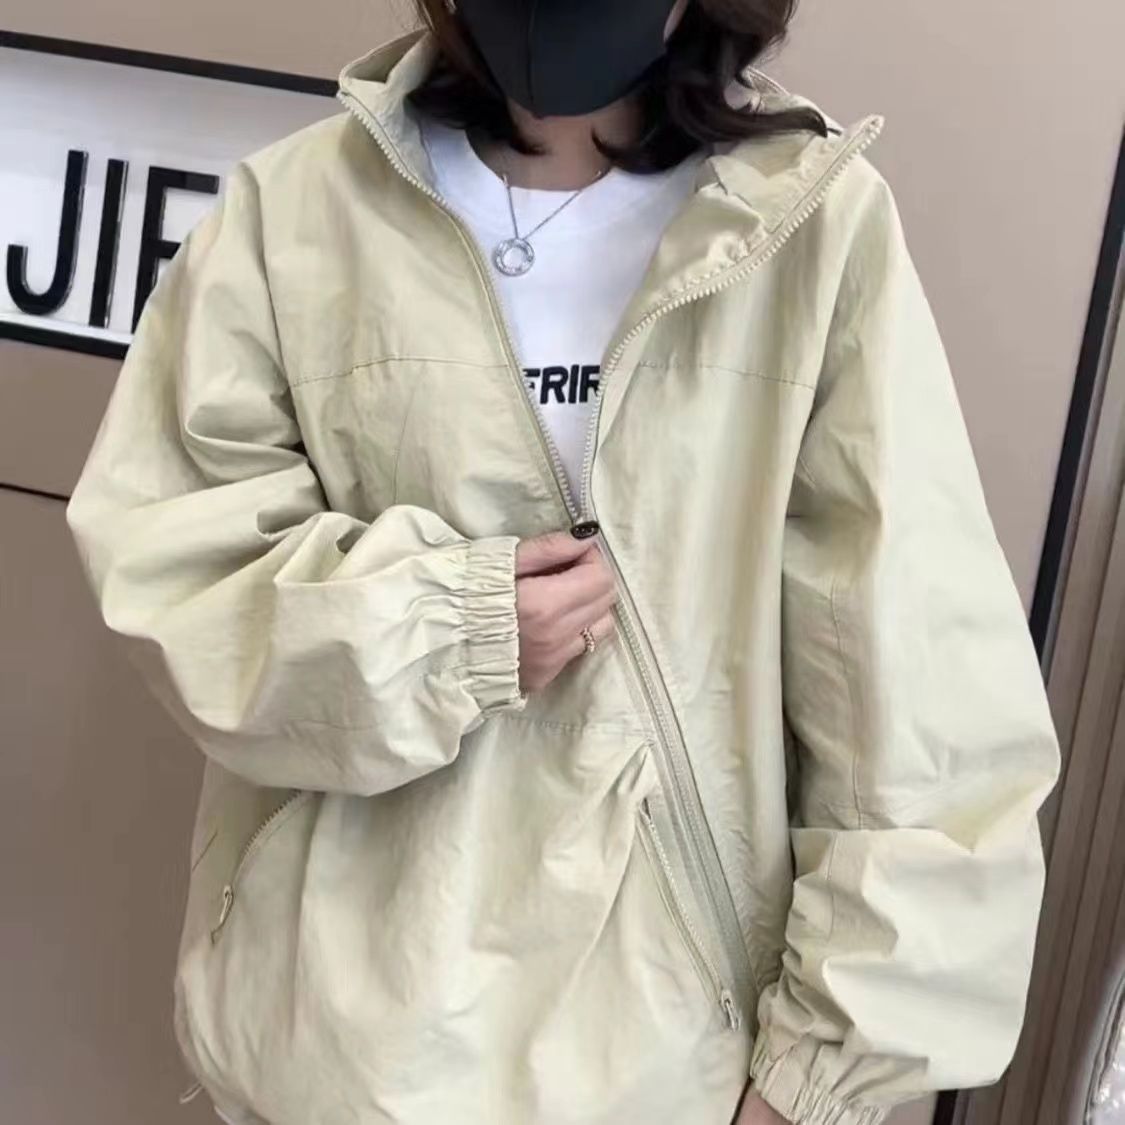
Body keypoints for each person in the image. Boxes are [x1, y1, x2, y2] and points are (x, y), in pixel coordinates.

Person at [64, 2, 1062, 1123]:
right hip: (344, 1053)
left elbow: (913, 693)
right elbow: (183, 573)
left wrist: (815, 1083)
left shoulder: (806, 228)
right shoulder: (294, 213)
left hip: (672, 1066)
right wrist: (450, 626)